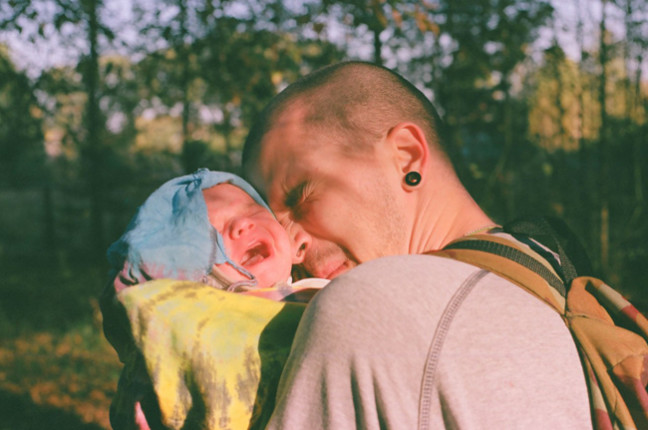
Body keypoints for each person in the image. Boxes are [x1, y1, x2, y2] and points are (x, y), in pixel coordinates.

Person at [241, 61, 593, 428]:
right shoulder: (552, 275)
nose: (288, 247)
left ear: (406, 155)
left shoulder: (367, 304)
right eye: (274, 223)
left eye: (302, 197)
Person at [100, 168, 327, 429]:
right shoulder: (187, 333)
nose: (242, 225)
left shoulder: (325, 292)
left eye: (253, 209)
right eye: (211, 236)